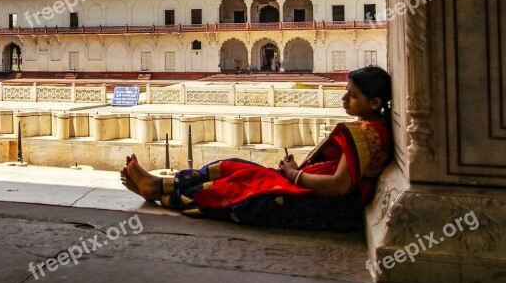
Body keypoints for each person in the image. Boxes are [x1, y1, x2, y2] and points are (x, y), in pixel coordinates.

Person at [120, 66, 392, 231]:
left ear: (374, 101)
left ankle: (159, 191)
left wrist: (294, 174)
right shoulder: (371, 129)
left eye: (352, 95)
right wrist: (294, 172)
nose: (344, 98)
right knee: (234, 166)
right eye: (346, 91)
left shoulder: (367, 134)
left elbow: (338, 186)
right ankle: (161, 184)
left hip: (323, 205)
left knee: (239, 194)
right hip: (312, 192)